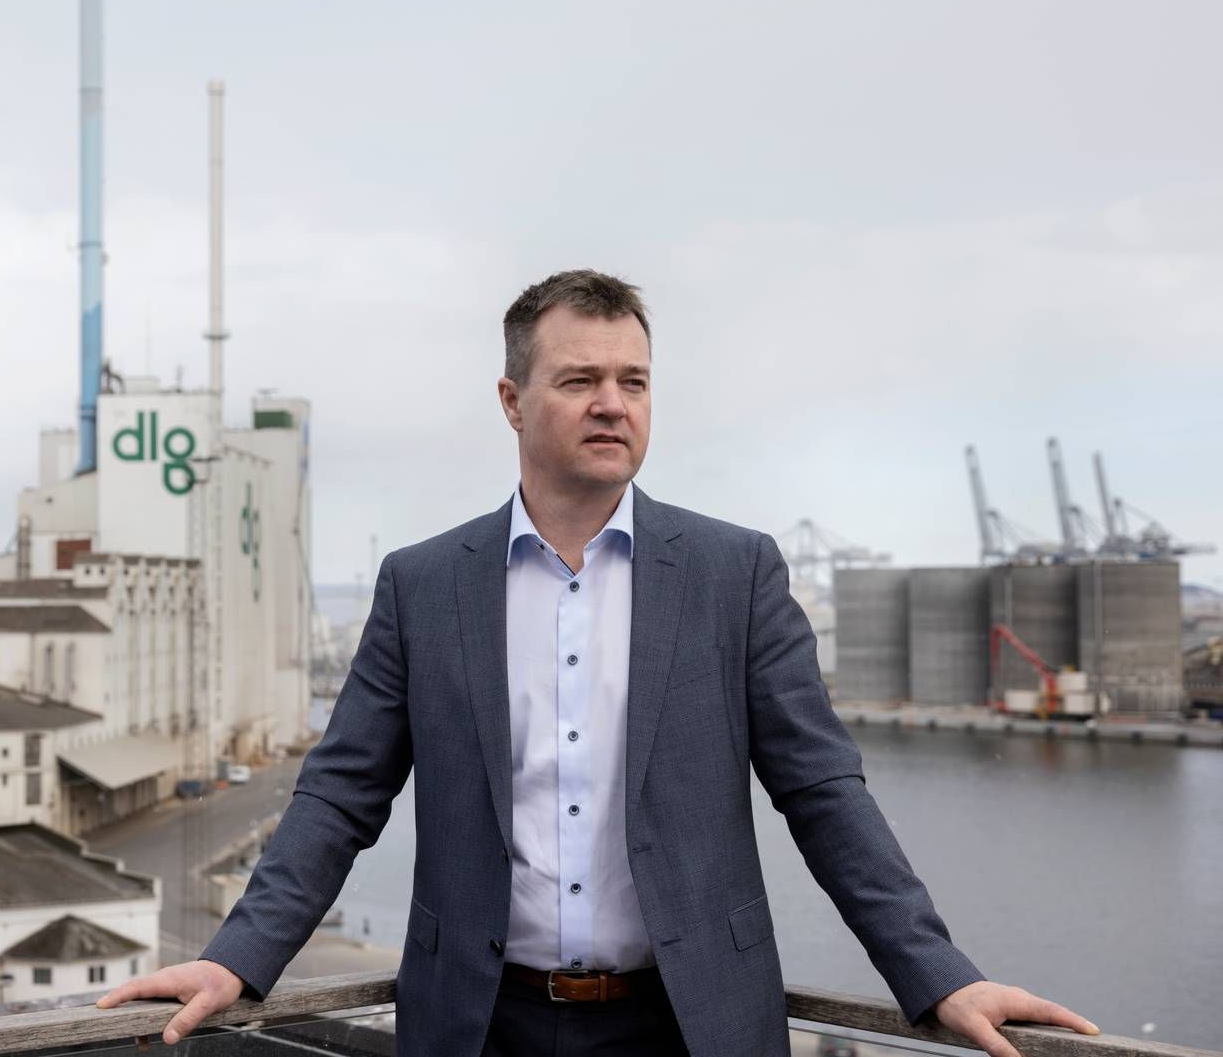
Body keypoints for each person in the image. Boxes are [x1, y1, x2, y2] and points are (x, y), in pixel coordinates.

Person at [98, 270, 1098, 1056]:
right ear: (512, 398)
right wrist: (237, 959)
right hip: (480, 1024)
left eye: (635, 381)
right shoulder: (423, 586)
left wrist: (938, 972)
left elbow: (824, 792)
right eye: (580, 379)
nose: (613, 403)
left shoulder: (732, 574)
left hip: (686, 1022)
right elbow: (340, 794)